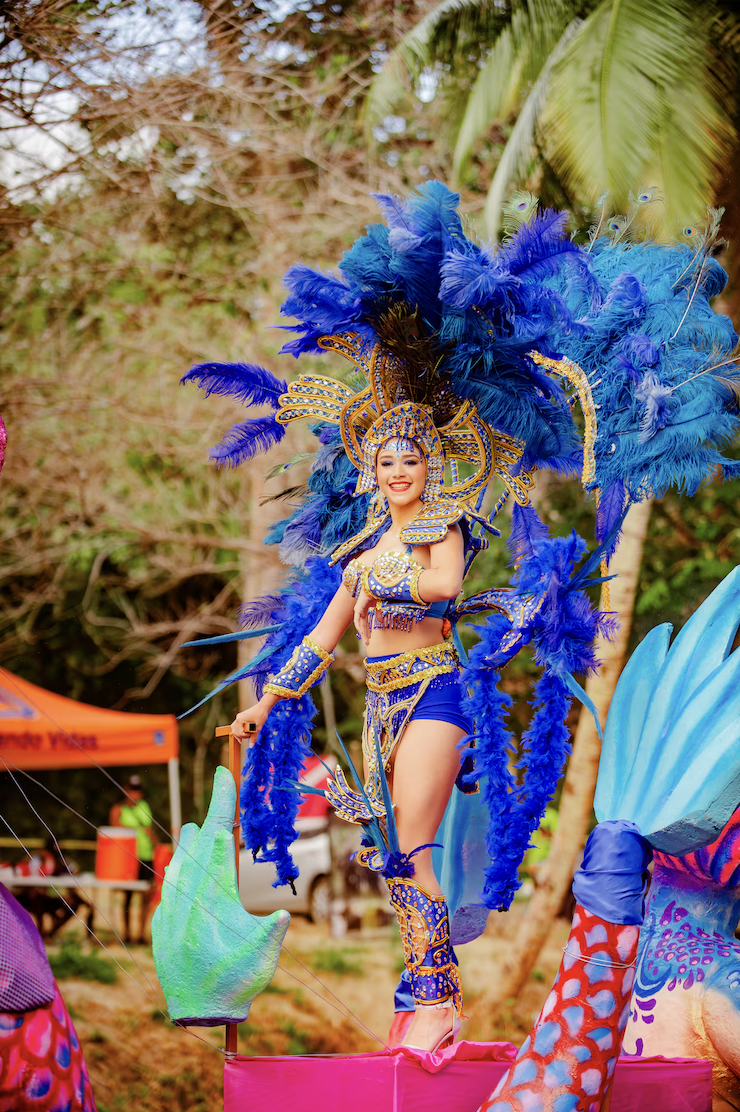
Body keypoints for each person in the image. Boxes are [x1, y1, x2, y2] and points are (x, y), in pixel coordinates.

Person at [109, 774, 157, 945]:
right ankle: (127, 934)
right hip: (128, 858)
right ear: (125, 790)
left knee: (146, 896)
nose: (135, 794)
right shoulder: (118, 810)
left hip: (146, 856)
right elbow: (114, 832)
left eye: (137, 791)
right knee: (127, 896)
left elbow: (149, 830)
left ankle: (142, 934)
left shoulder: (144, 807)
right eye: (132, 790)